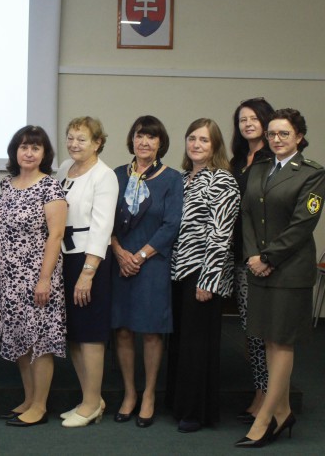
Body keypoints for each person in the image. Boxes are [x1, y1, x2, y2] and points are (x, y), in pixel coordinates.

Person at [236, 108, 325, 448]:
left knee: (281, 342)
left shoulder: (312, 173)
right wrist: (252, 256)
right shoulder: (259, 168)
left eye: (284, 133)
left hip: (289, 271)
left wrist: (268, 258)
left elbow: (302, 225)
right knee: (268, 341)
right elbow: (246, 213)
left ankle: (265, 419)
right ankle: (283, 411)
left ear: (299, 136)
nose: (276, 139)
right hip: (259, 267)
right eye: (271, 133)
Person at [0, 125, 67, 428]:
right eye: (24, 147)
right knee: (19, 338)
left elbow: (56, 235)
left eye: (36, 147)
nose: (29, 153)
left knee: (39, 340)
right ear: (15, 151)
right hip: (9, 277)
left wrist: (44, 279)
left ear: (44, 153)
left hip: (38, 276)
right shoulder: (6, 186)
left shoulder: (50, 187)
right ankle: (29, 398)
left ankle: (40, 406)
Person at [165, 118, 240, 433]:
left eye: (204, 140)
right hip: (177, 272)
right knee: (180, 342)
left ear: (215, 146)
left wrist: (207, 281)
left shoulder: (223, 180)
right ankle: (179, 403)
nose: (196, 144)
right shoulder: (181, 178)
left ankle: (196, 412)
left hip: (203, 274)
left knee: (198, 346)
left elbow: (221, 236)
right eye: (192, 138)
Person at [110, 115, 182, 428]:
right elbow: (104, 220)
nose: (144, 142)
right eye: (140, 135)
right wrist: (118, 252)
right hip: (119, 262)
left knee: (151, 331)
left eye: (151, 137)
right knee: (123, 329)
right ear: (132, 139)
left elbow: (171, 224)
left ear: (160, 143)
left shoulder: (172, 178)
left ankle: (150, 394)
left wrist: (139, 256)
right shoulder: (116, 175)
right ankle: (129, 393)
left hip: (152, 264)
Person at [55, 117, 118, 428]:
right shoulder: (64, 168)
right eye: (70, 137)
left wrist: (88, 273)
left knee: (91, 334)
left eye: (81, 139)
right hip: (63, 258)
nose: (74, 144)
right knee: (74, 333)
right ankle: (89, 399)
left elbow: (102, 228)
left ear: (97, 143)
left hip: (89, 260)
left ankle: (92, 403)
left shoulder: (104, 176)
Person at [229, 97, 274, 424]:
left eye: (254, 119)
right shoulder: (236, 162)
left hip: (260, 258)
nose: (247, 124)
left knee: (262, 330)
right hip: (236, 255)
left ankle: (267, 396)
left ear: (266, 122)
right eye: (242, 119)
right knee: (249, 329)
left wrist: (265, 254)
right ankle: (261, 389)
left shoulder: (273, 161)